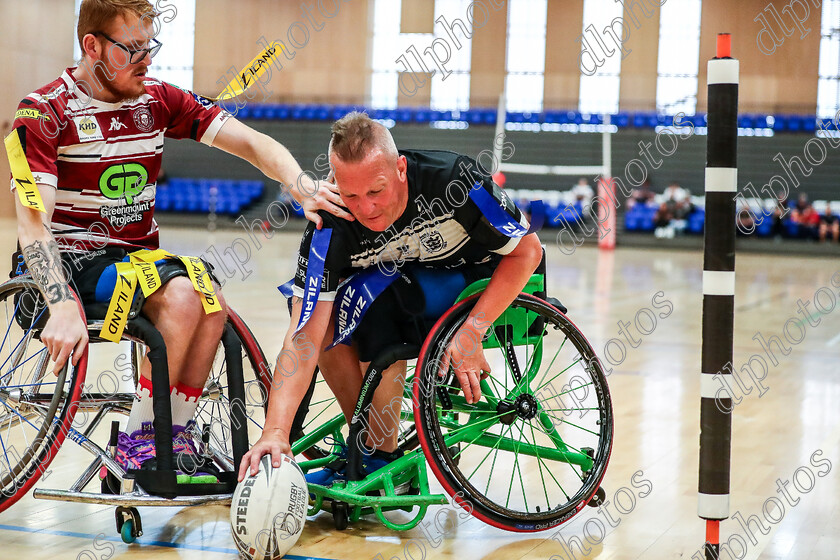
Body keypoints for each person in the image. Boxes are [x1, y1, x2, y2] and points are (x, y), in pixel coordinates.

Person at [10, 0, 350, 478]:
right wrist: (59, 300)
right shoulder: (44, 112)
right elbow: (31, 223)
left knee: (210, 300)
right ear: (92, 46)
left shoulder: (159, 100)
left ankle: (169, 437)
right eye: (132, 49)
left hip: (137, 262)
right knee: (188, 294)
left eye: (151, 46)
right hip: (68, 261)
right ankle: (142, 444)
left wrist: (299, 183)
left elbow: (250, 141)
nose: (147, 60)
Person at [238, 112, 543, 484]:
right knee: (323, 312)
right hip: (409, 281)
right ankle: (371, 448)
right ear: (334, 182)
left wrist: (473, 329)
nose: (365, 208)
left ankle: (379, 453)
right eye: (350, 194)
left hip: (482, 280)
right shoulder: (331, 222)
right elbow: (303, 337)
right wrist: (275, 433)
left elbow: (528, 251)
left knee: (379, 299)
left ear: (401, 169)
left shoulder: (456, 180)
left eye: (375, 191)